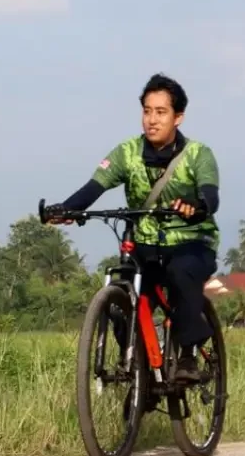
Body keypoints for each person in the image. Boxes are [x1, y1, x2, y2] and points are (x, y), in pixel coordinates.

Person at [44, 73, 221, 382]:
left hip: (191, 243)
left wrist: (197, 205)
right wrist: (68, 208)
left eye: (161, 112)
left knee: (181, 273)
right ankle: (141, 379)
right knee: (123, 295)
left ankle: (188, 355)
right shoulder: (127, 153)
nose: (152, 120)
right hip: (145, 246)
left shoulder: (198, 154)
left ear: (178, 117)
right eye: (147, 111)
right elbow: (95, 186)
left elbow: (210, 195)